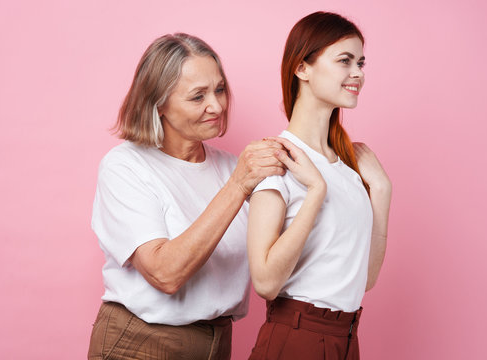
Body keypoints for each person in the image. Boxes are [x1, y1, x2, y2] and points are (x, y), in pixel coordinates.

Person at [87, 33, 287, 360]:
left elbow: (279, 258)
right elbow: (165, 273)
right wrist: (237, 187)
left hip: (217, 342)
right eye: (198, 96)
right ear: (159, 104)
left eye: (220, 89)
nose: (217, 105)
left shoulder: (232, 167)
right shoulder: (124, 166)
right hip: (140, 344)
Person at [247, 12, 392, 359]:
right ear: (302, 69)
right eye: (344, 61)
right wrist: (315, 193)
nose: (358, 73)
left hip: (345, 338)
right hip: (297, 338)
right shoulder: (277, 158)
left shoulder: (347, 168)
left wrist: (383, 192)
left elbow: (364, 280)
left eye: (360, 62)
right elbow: (265, 283)